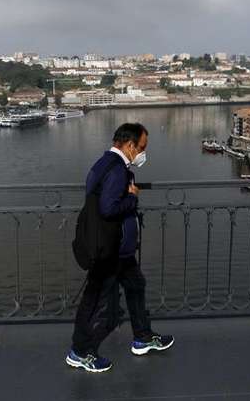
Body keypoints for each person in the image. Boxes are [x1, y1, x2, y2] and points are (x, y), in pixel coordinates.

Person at [66, 122, 174, 373]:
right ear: (129, 145)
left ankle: (143, 338)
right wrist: (132, 198)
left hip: (118, 249)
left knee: (136, 286)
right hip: (110, 250)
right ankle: (80, 351)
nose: (143, 153)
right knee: (94, 300)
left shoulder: (103, 164)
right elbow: (109, 208)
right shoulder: (117, 171)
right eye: (142, 148)